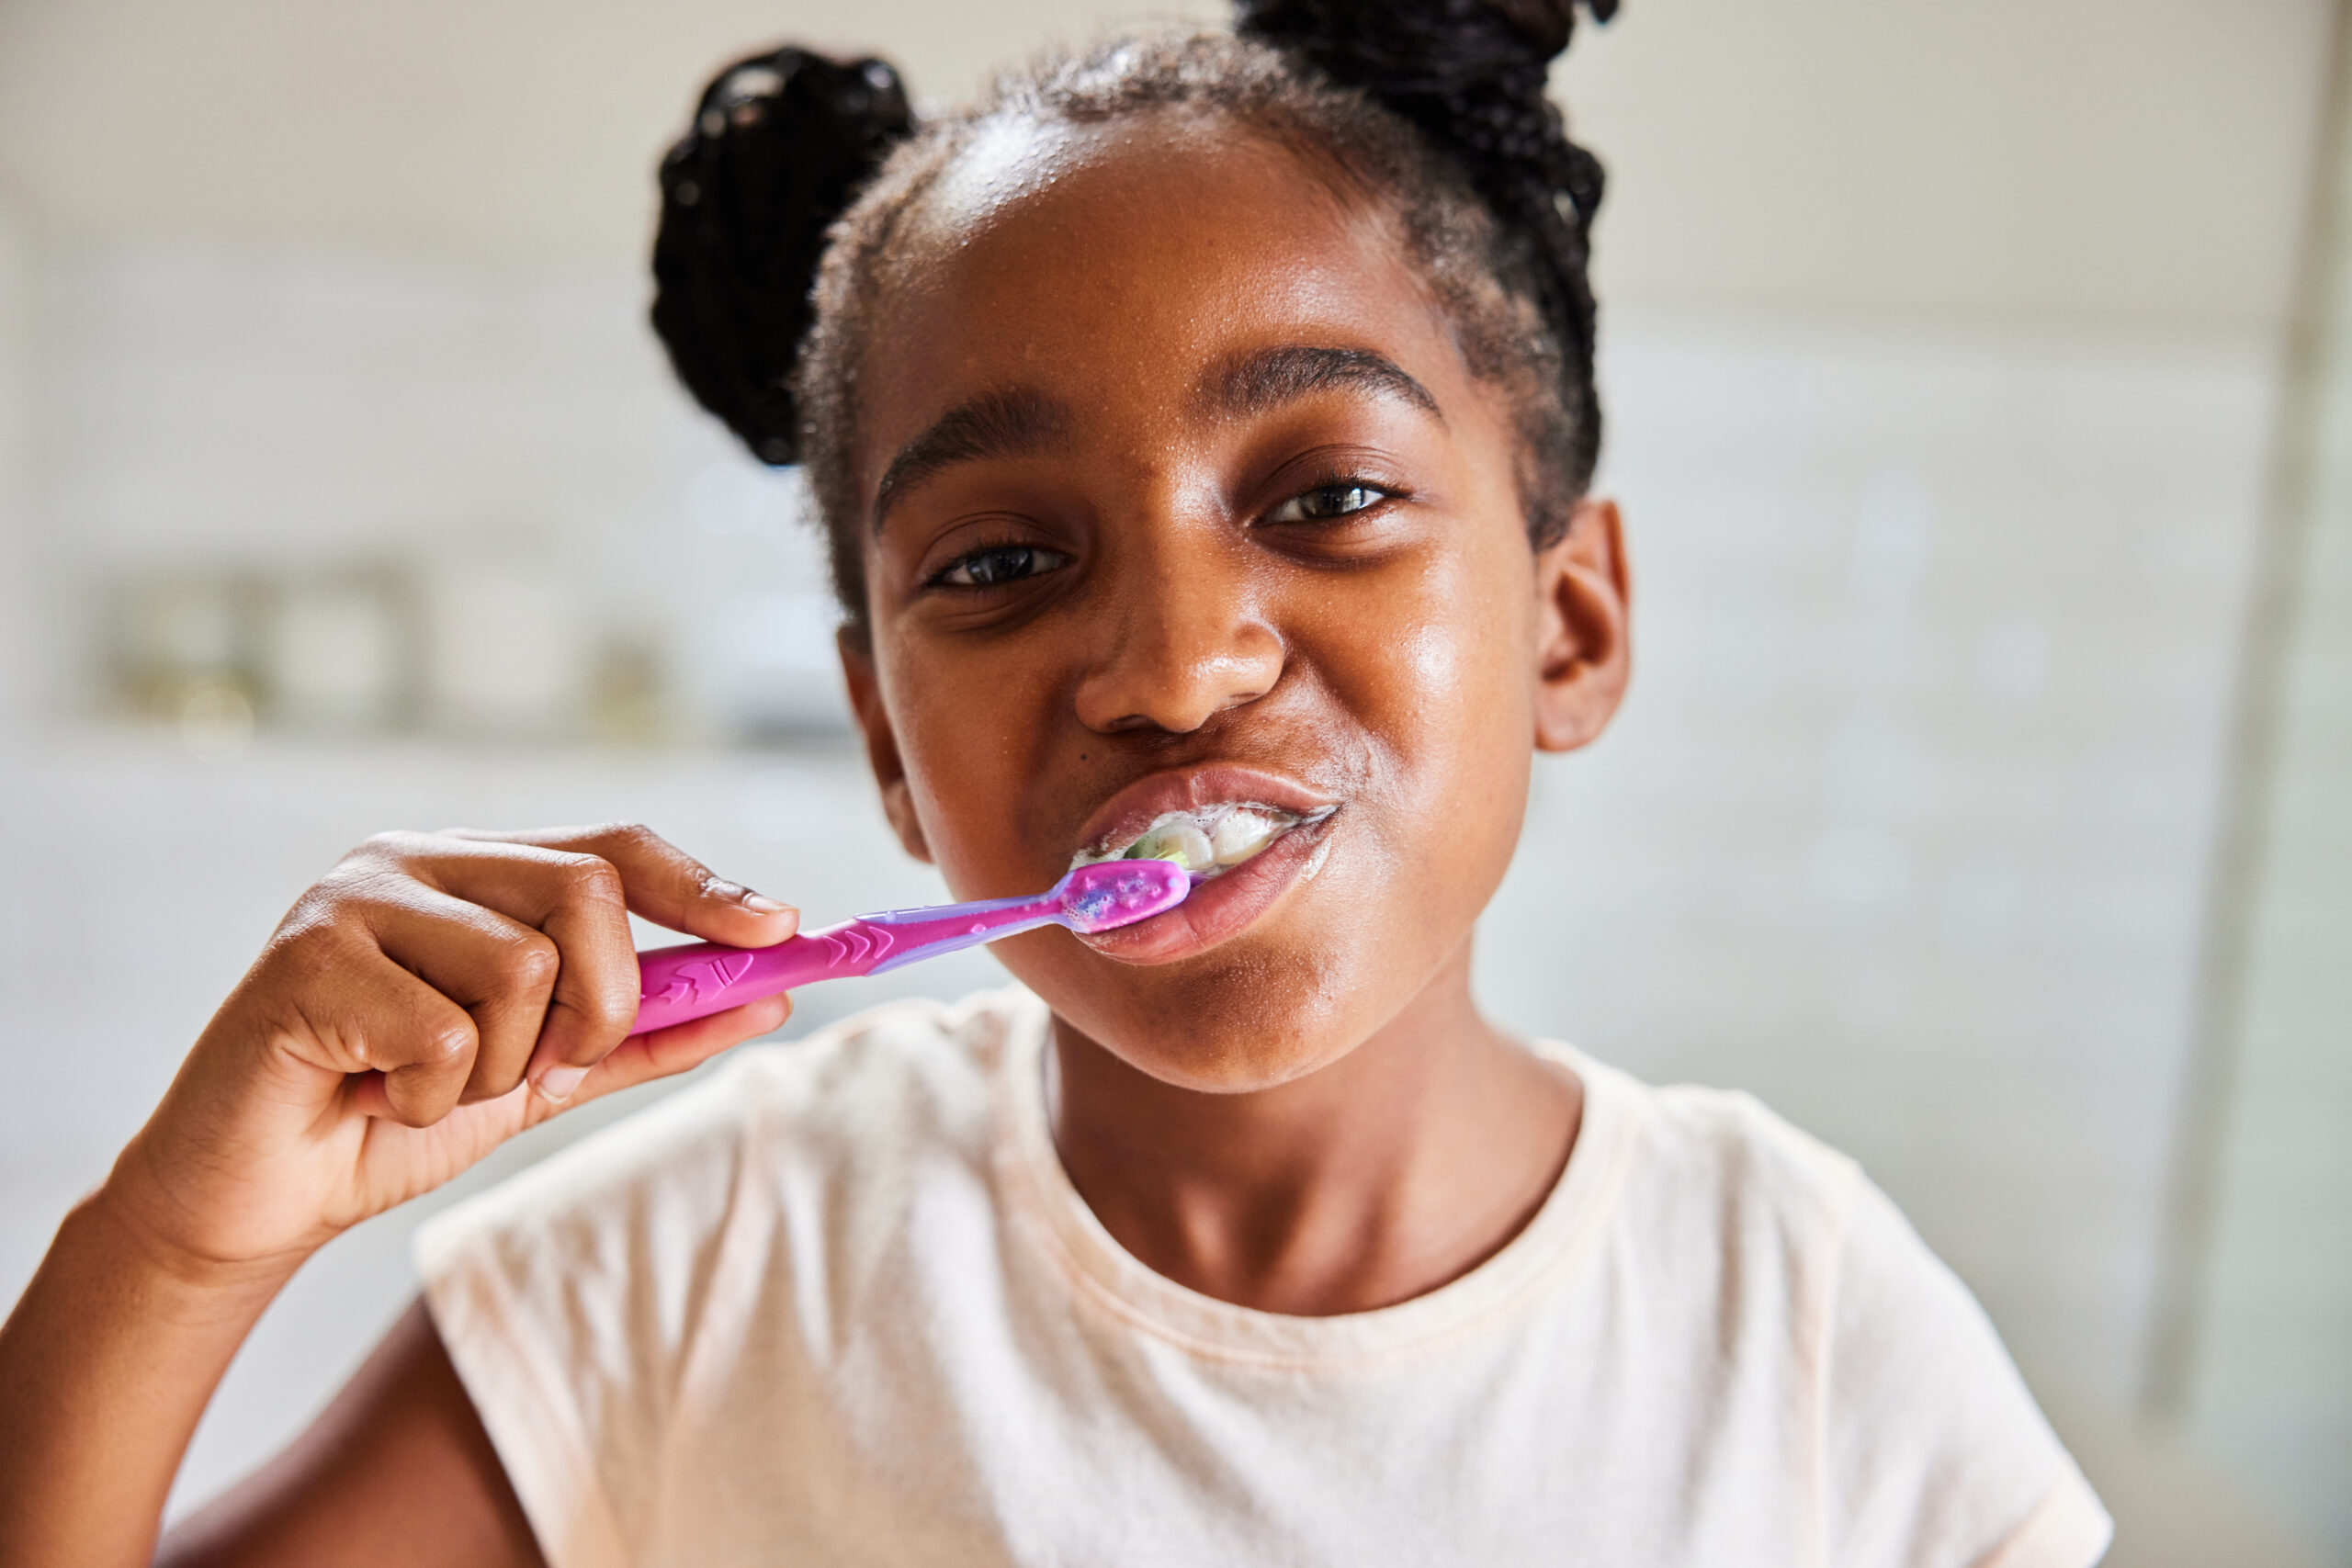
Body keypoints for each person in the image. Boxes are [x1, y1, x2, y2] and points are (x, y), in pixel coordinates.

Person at [0, 3, 2115, 1563]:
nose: (1176, 661)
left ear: (1565, 625)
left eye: (1327, 494)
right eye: (1000, 562)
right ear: (885, 750)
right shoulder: (706, 1260)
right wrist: (172, 1247)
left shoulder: (1805, 1327)